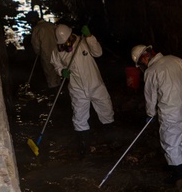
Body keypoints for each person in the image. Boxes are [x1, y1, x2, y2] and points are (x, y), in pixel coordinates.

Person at [51, 24, 115, 154]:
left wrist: (90, 37)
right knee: (79, 117)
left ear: (71, 35)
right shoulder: (57, 51)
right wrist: (61, 71)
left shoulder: (83, 42)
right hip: (77, 89)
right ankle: (84, 148)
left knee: (106, 110)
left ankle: (111, 141)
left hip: (96, 84)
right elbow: (55, 65)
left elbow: (98, 53)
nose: (66, 44)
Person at [132, 44, 182, 182]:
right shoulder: (176, 59)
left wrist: (150, 114)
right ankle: (181, 162)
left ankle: (178, 175)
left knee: (170, 141)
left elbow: (150, 97)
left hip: (169, 110)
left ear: (144, 59)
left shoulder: (151, 71)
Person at [25, 11, 59, 91]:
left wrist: (38, 53)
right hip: (58, 52)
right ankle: (60, 87)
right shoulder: (51, 25)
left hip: (46, 54)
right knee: (59, 70)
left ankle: (53, 91)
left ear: (33, 20)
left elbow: (36, 46)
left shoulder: (37, 29)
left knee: (50, 74)